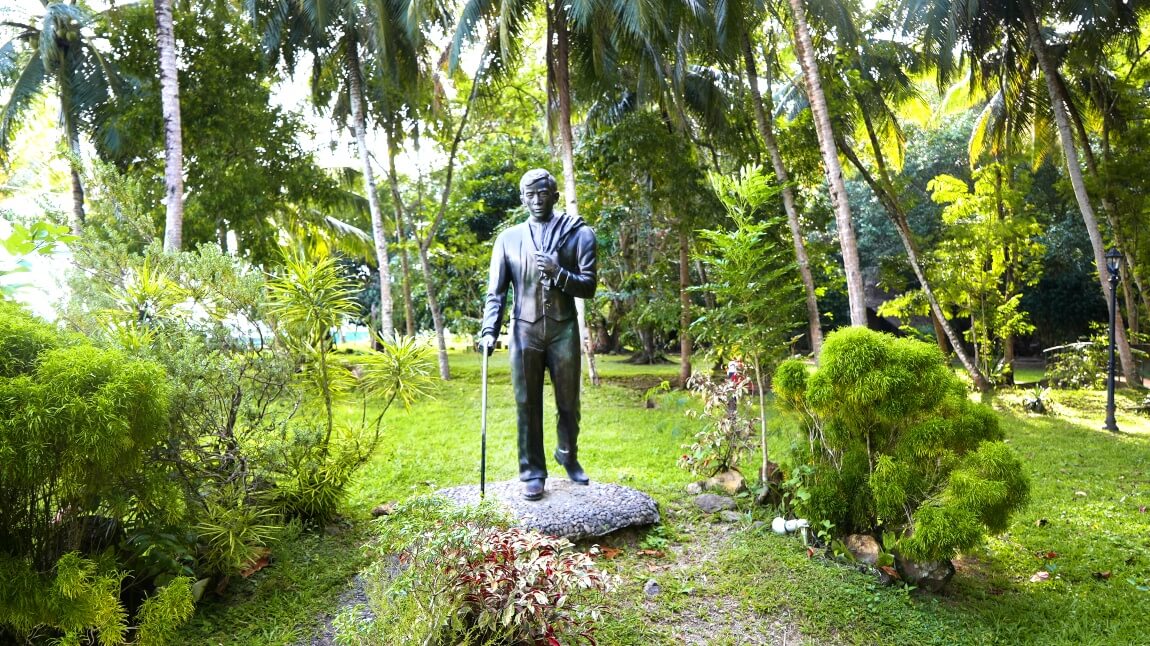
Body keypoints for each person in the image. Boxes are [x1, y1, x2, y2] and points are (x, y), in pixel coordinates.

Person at [479, 169, 597, 501]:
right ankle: (532, 471)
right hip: (524, 330)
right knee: (526, 403)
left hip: (563, 328)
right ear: (522, 198)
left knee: (568, 403)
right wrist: (489, 330)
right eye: (529, 195)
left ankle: (567, 453)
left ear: (555, 196)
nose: (536, 200)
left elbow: (588, 286)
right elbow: (496, 292)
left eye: (542, 194)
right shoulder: (508, 239)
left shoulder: (579, 234)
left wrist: (559, 272)